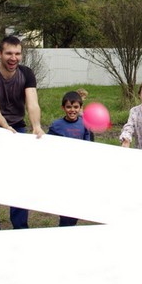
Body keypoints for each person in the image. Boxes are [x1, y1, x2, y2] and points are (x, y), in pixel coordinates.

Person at [0, 35, 43, 230]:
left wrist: (36, 125)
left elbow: (32, 103)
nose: (13, 58)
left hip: (18, 129)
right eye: (9, 53)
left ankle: (20, 226)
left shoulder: (26, 73)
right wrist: (5, 128)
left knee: (20, 180)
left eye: (17, 54)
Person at [48, 91, 92, 227]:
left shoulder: (84, 124)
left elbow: (89, 145)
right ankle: (65, 225)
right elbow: (48, 145)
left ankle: (70, 224)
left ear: (80, 108)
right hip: (63, 170)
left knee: (76, 202)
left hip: (79, 170)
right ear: (63, 108)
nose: (72, 110)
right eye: (68, 107)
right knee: (65, 202)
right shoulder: (56, 125)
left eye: (75, 107)